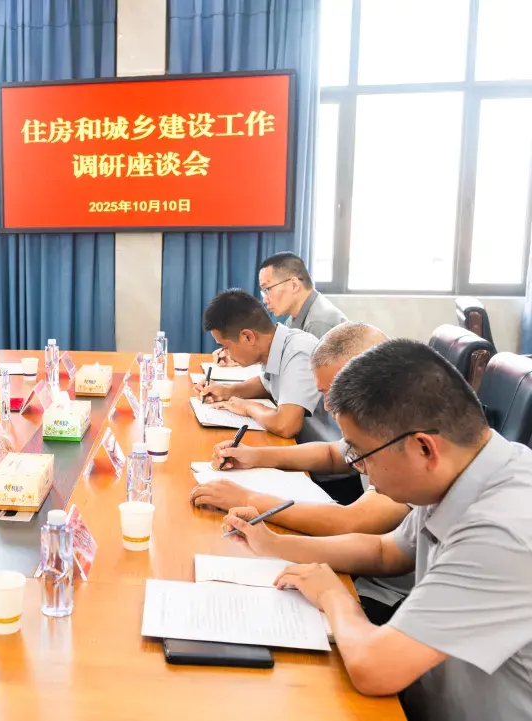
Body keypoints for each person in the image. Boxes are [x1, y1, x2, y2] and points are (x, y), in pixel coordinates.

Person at [222, 340, 532, 720]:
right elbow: (385, 551)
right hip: (420, 692)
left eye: (360, 454)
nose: (357, 467)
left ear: (424, 448)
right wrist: (274, 544)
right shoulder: (466, 470)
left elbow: (375, 667)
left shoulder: (504, 528)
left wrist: (333, 596)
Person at [189, 321, 413, 624]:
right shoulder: (379, 420)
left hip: (386, 596)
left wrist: (248, 499)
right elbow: (333, 454)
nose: (326, 406)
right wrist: (256, 456)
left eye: (335, 393)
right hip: (365, 568)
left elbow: (354, 523)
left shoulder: (406, 441)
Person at [192, 289, 336, 442]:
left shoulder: (298, 352)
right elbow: (267, 384)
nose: (225, 354)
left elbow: (286, 425)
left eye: (226, 347)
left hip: (329, 447)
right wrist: (227, 391)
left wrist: (248, 407)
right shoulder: (275, 346)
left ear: (247, 337)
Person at [211, 252, 347, 366]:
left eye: (267, 289)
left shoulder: (318, 322)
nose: (265, 299)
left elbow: (310, 379)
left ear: (294, 285)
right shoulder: (296, 317)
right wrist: (237, 355)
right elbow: (282, 360)